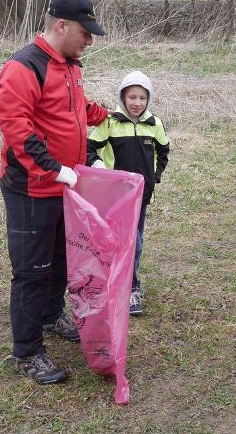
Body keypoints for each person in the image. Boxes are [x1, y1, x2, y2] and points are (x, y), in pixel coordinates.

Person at [0, 0, 109, 384]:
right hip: (31, 189)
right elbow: (17, 131)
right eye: (85, 32)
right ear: (61, 26)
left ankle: (49, 316)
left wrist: (115, 118)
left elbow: (76, 110)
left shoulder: (70, 66)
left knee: (62, 258)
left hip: (66, 186)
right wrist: (55, 169)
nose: (90, 41)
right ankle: (27, 352)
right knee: (32, 271)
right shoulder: (23, 66)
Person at [86, 70, 170, 317]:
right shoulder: (110, 123)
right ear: (123, 97)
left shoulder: (154, 124)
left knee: (135, 242)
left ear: (148, 99)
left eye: (142, 98)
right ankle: (117, 283)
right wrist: (100, 169)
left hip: (141, 197)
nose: (137, 103)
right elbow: (89, 149)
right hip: (115, 198)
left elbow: (164, 151)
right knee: (119, 242)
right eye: (132, 97)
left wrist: (154, 177)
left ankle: (131, 287)